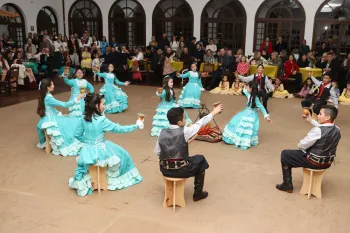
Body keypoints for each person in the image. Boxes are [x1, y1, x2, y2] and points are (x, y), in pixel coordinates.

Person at [69, 93, 144, 196]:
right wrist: (135, 125)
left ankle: (94, 179)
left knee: (113, 149)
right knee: (123, 154)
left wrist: (88, 142)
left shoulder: (84, 118)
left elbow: (77, 134)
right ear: (96, 106)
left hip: (86, 151)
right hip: (99, 151)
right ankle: (110, 179)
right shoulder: (101, 120)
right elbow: (120, 129)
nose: (104, 106)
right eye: (103, 104)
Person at [155, 104, 223, 202]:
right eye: (184, 118)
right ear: (179, 123)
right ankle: (198, 193)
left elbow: (158, 152)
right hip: (181, 170)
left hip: (165, 169)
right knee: (201, 159)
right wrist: (213, 112)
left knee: (190, 159)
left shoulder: (161, 132)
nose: (185, 120)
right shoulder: (185, 131)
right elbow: (199, 123)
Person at [276, 105, 341, 193]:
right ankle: (288, 184)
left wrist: (303, 145)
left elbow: (302, 145)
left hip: (314, 162)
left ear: (327, 117)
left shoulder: (317, 130)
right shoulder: (337, 129)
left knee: (285, 154)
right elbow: (326, 128)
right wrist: (310, 120)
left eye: (320, 114)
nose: (317, 116)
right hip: (327, 162)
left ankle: (287, 184)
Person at [36, 79, 85, 156]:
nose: (54, 86)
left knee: (69, 120)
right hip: (50, 118)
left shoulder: (45, 94)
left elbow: (50, 108)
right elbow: (64, 105)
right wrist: (77, 98)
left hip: (47, 117)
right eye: (52, 84)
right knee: (72, 122)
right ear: (47, 87)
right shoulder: (48, 97)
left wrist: (60, 114)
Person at [222, 81, 272, 149]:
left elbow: (261, 107)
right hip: (246, 113)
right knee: (240, 124)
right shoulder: (248, 94)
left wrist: (266, 116)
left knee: (247, 128)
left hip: (252, 116)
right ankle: (240, 139)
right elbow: (244, 90)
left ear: (251, 88)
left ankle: (244, 141)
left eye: (248, 86)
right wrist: (244, 85)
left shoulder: (256, 98)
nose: (247, 88)